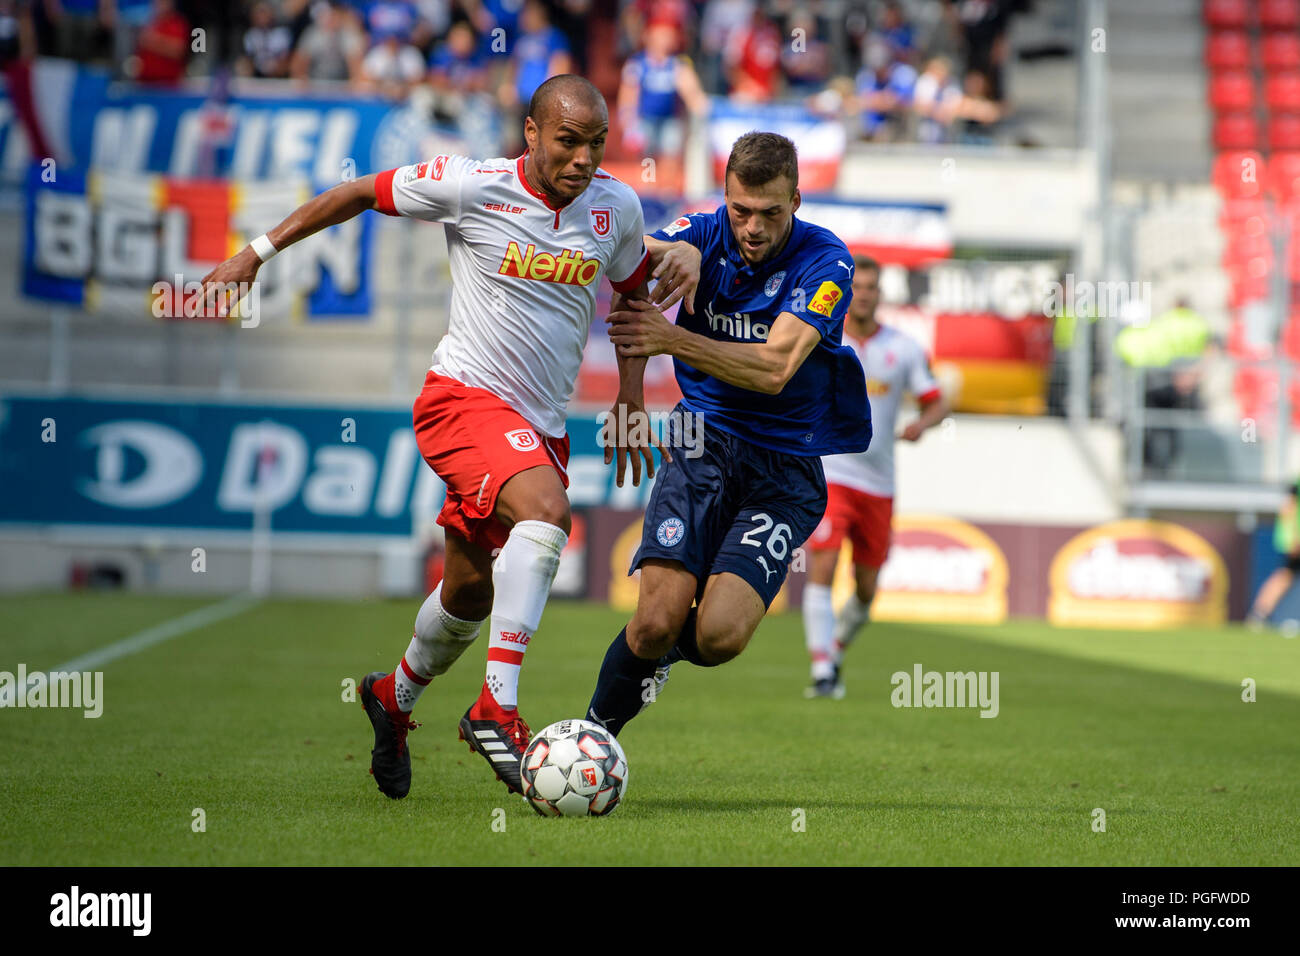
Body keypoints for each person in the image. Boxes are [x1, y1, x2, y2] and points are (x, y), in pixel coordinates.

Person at [198, 75, 659, 799]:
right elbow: (354, 193)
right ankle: (495, 710)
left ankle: (392, 699)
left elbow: (634, 299)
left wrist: (631, 395)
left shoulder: (617, 207)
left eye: (597, 142)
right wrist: (254, 253)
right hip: (463, 401)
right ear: (532, 135)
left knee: (468, 597)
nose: (584, 158)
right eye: (568, 140)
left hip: (536, 426)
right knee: (546, 514)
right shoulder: (469, 184)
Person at [583, 131, 872, 738]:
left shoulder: (828, 263)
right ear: (725, 197)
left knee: (718, 637)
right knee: (655, 619)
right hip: (699, 437)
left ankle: (651, 663)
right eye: (740, 211)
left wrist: (674, 340)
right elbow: (632, 271)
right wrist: (631, 398)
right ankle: (591, 739)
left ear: (796, 199)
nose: (753, 227)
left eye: (771, 212)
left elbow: (773, 369)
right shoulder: (704, 232)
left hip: (786, 465)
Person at [801, 255, 948, 698]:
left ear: (879, 294)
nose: (862, 294)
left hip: (880, 483)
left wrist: (923, 424)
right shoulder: (820, 339)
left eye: (870, 287)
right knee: (823, 565)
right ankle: (822, 669)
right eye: (856, 286)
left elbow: (936, 400)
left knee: (866, 590)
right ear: (846, 292)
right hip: (832, 472)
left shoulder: (903, 348)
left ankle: (837, 649)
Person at [1248, 479, 1300, 627]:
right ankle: (1259, 614)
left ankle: (1259, 615)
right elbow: (1288, 508)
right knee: (1285, 575)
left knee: (1285, 575)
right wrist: (1295, 537)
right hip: (1296, 540)